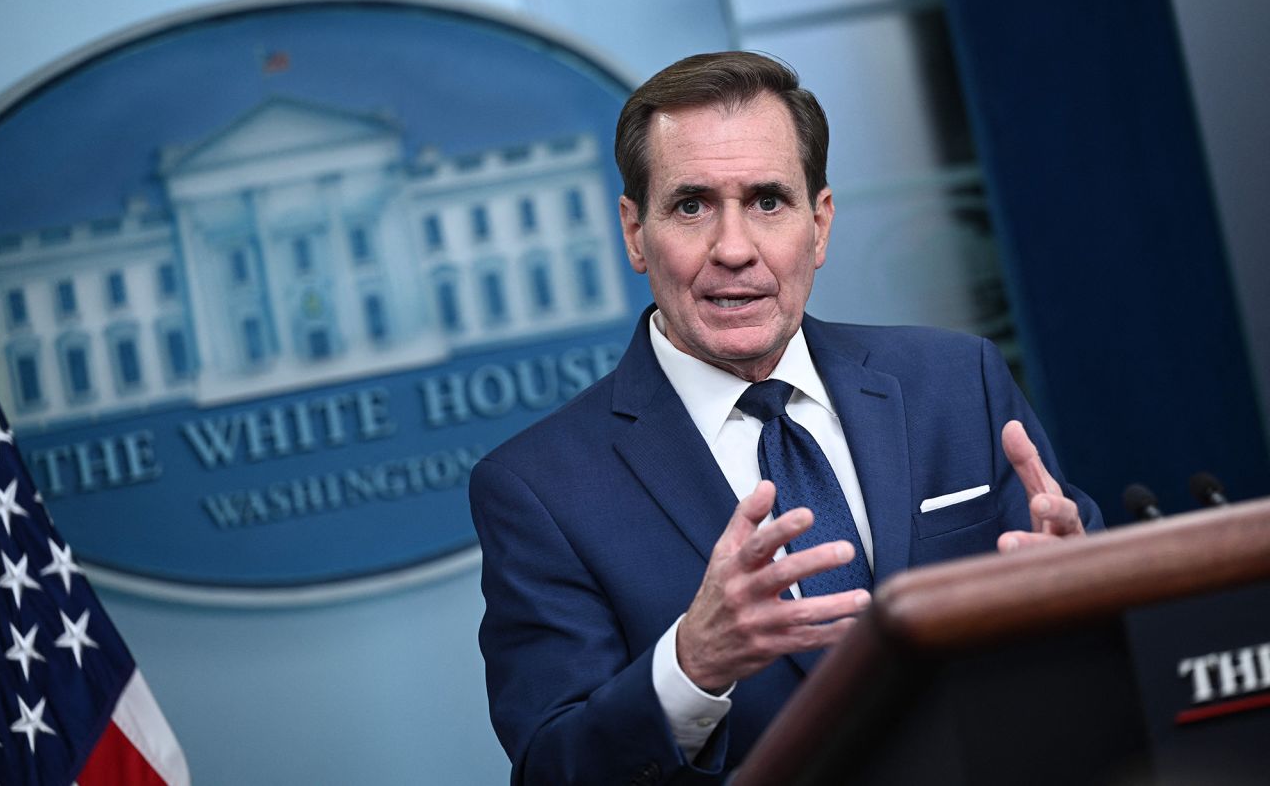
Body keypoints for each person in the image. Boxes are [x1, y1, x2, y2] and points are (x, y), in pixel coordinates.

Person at [469, 51, 1103, 785]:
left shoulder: (958, 383)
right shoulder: (537, 489)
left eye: (768, 201)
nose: (734, 249)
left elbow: (1107, 625)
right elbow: (553, 769)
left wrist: (1085, 589)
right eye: (692, 204)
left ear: (820, 223)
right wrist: (690, 666)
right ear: (636, 233)